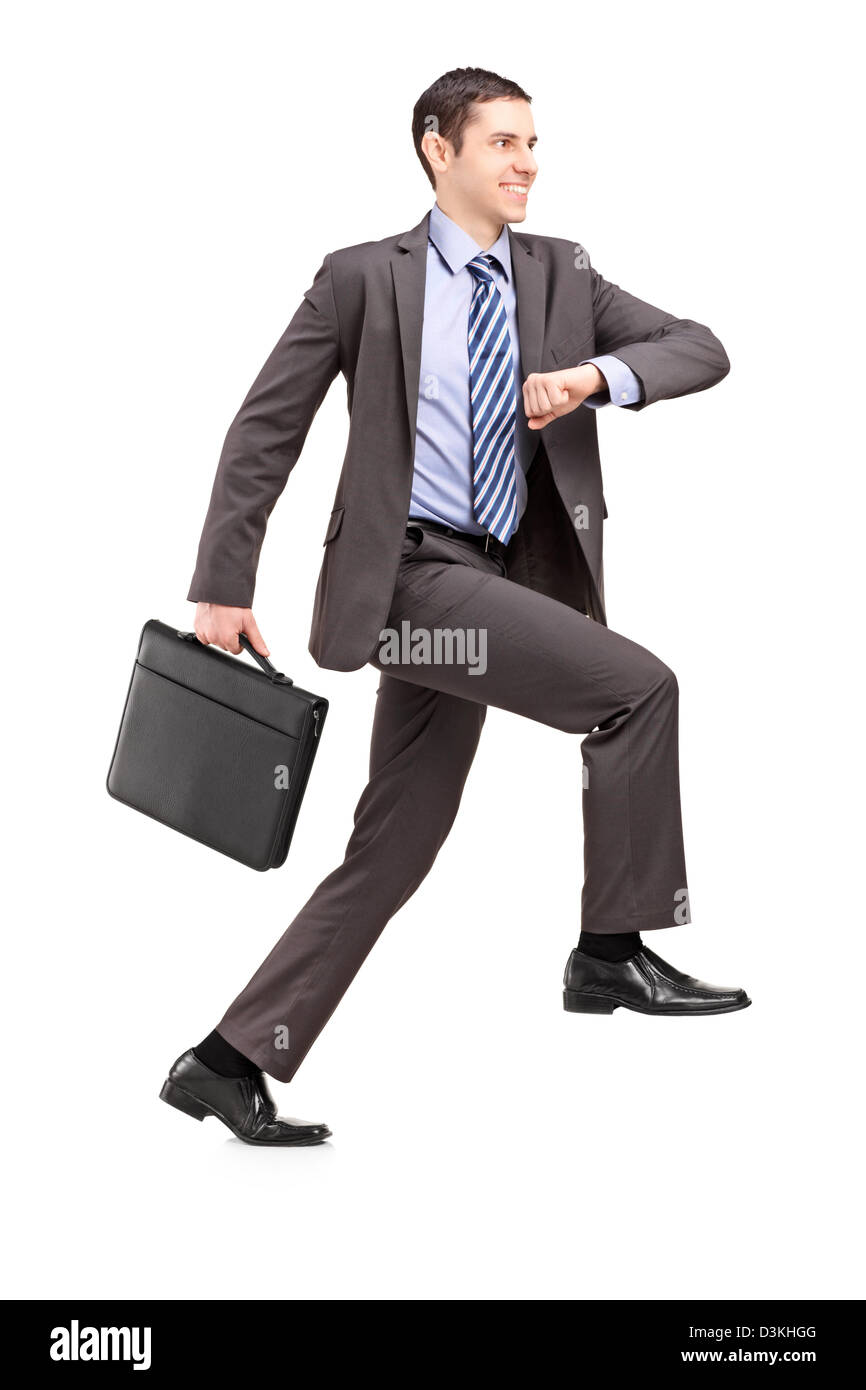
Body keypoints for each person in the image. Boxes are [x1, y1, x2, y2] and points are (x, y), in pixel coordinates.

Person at [160, 66, 750, 1147]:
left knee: (393, 847)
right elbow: (264, 429)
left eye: (534, 143)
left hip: (488, 585)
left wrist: (592, 380)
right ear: (438, 147)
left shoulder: (560, 274)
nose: (528, 161)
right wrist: (221, 584)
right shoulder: (358, 278)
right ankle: (610, 948)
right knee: (636, 690)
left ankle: (227, 1058)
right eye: (503, 142)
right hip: (404, 587)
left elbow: (699, 347)